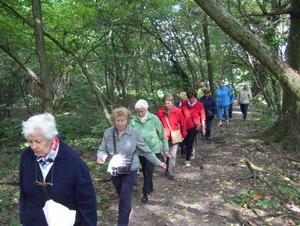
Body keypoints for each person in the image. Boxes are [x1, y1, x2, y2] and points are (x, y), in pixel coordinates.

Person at [19, 113, 97, 226]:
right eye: (30, 141)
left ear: (51, 138)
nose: (33, 147)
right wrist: (23, 219)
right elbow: (24, 194)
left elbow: (87, 202)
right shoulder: (27, 156)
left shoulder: (72, 161)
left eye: (38, 141)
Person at [97, 107, 166, 226]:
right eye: (117, 120)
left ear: (127, 120)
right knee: (120, 192)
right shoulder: (108, 133)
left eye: (122, 120)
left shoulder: (134, 133)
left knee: (125, 194)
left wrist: (157, 162)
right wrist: (101, 156)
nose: (119, 123)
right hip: (115, 168)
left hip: (130, 168)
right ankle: (128, 208)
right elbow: (102, 148)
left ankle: (122, 222)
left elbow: (145, 150)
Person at [130, 99, 169, 203]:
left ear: (146, 110)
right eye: (138, 111)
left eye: (142, 111)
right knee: (145, 170)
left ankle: (145, 193)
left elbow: (162, 134)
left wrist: (166, 149)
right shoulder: (133, 121)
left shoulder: (154, 119)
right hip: (139, 151)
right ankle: (150, 187)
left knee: (149, 170)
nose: (140, 113)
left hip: (152, 149)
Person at [157, 94, 187, 180]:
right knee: (164, 155)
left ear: (172, 102)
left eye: (169, 103)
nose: (167, 105)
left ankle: (171, 173)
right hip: (163, 137)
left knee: (172, 155)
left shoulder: (177, 111)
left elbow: (183, 123)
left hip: (175, 136)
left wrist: (184, 134)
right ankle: (167, 168)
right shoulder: (160, 112)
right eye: (165, 103)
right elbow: (156, 124)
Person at [181, 90, 206, 167]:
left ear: (195, 97)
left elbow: (203, 117)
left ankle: (187, 160)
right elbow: (180, 114)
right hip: (185, 126)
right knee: (183, 142)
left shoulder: (200, 105)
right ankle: (191, 150)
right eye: (189, 98)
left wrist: (203, 128)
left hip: (194, 127)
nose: (191, 100)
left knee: (190, 142)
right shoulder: (184, 104)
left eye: (192, 98)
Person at [175, 92, 188, 158]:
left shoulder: (188, 104)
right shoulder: (177, 104)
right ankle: (183, 151)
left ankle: (188, 150)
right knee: (180, 138)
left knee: (186, 137)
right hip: (178, 123)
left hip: (187, 123)